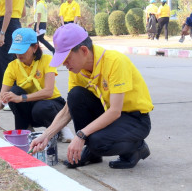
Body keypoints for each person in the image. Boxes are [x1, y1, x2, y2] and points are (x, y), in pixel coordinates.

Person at [29, 24, 153, 169]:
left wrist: (81, 136)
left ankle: (136, 148)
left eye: (67, 58)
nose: (64, 64)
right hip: (109, 114)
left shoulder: (115, 62)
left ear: (83, 50)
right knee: (75, 96)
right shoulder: (77, 69)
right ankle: (93, 154)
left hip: (135, 119)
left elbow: (115, 111)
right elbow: (68, 109)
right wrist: (46, 135)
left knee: (97, 142)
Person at [0, 28, 73, 141]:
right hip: (28, 106)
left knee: (41, 108)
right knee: (13, 92)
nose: (19, 54)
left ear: (35, 47)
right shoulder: (13, 66)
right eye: (16, 50)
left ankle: (60, 127)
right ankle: (26, 130)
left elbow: (48, 91)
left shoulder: (46, 59)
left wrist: (21, 98)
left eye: (23, 50)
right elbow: (3, 94)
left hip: (51, 105)